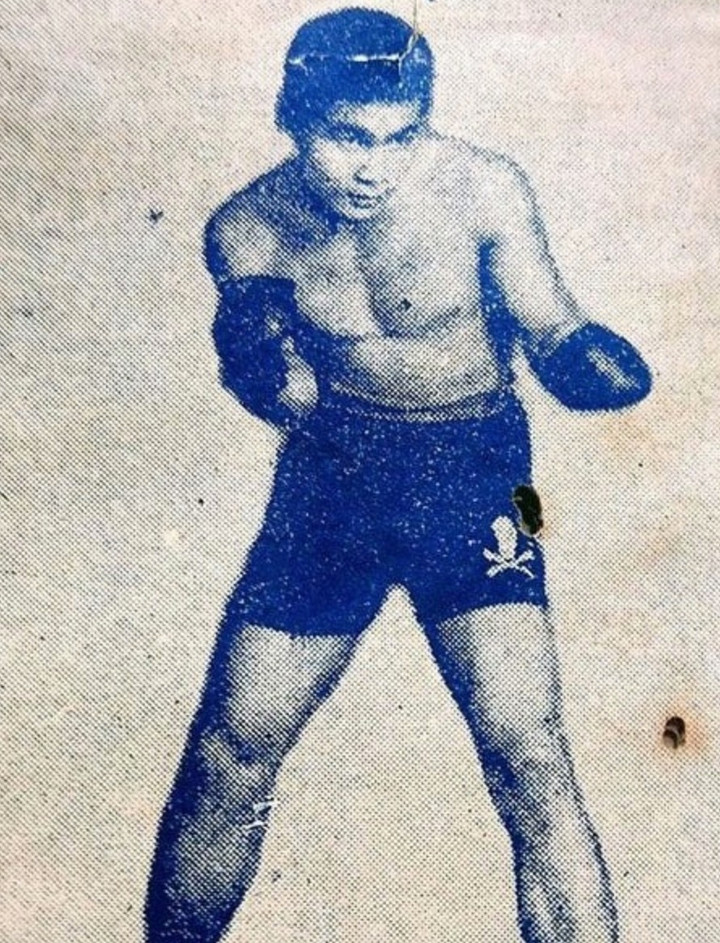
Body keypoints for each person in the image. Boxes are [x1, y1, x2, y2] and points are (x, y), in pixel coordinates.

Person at [145, 8, 651, 943]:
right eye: (347, 138)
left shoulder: (483, 189)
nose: (373, 167)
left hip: (470, 476)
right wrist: (258, 366)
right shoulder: (247, 229)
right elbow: (289, 391)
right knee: (230, 751)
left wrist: (579, 357)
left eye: (399, 136)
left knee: (529, 754)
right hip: (335, 481)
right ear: (294, 120)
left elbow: (550, 321)